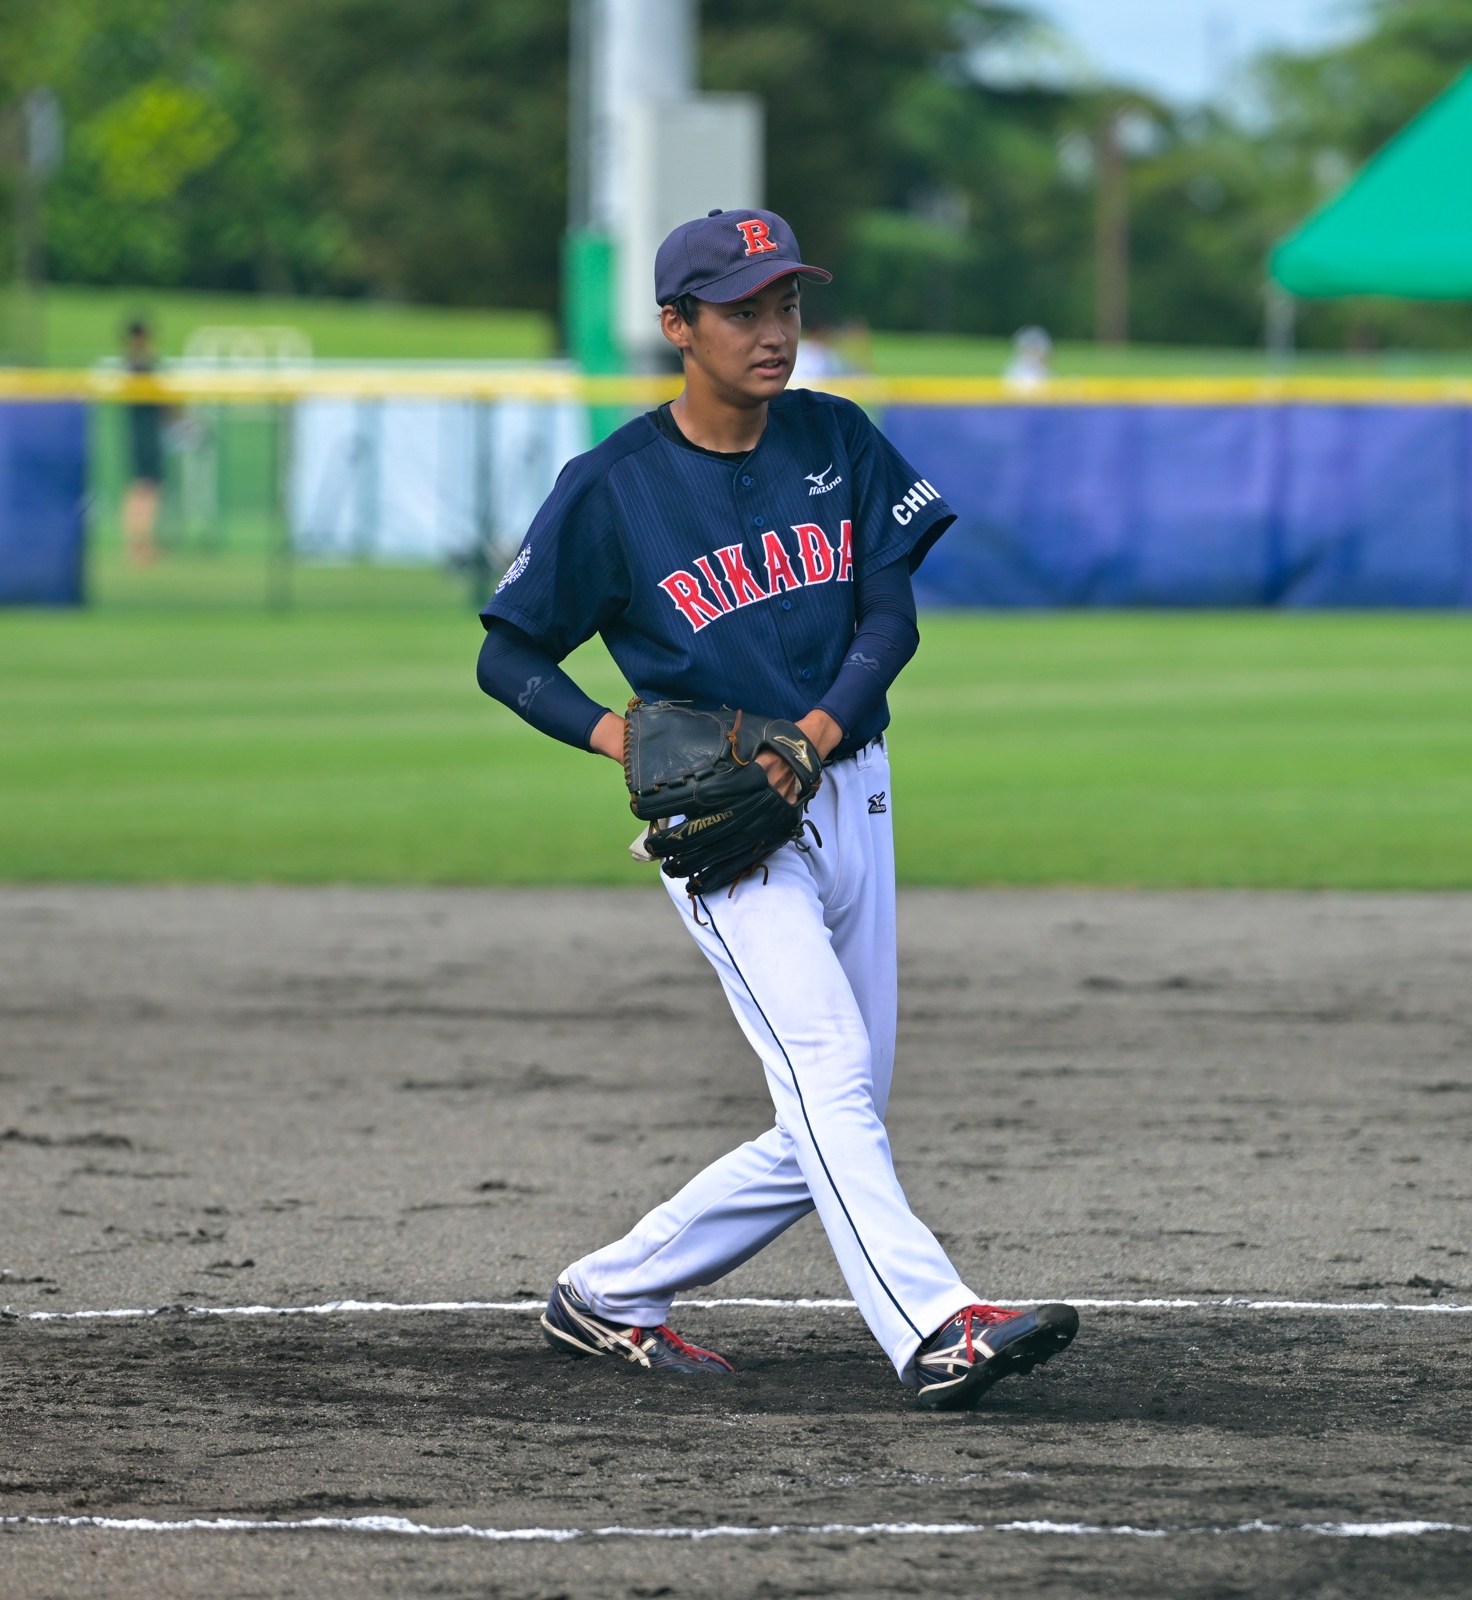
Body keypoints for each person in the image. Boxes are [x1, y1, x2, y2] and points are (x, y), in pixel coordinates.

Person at [474, 208, 1079, 1409]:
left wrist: (814, 734)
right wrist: (620, 738)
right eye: (742, 308)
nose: (773, 330)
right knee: (828, 1069)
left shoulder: (836, 436)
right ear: (676, 325)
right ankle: (935, 1324)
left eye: (786, 303)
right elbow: (508, 654)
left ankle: (608, 1291)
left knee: (837, 1106)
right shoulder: (613, 489)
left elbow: (890, 619)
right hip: (730, 827)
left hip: (854, 789)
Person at [120, 319, 165, 568]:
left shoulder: (133, 365)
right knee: (145, 489)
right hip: (144, 436)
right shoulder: (141, 367)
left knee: (142, 488)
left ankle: (140, 544)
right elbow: (166, 402)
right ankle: (139, 546)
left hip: (144, 435)